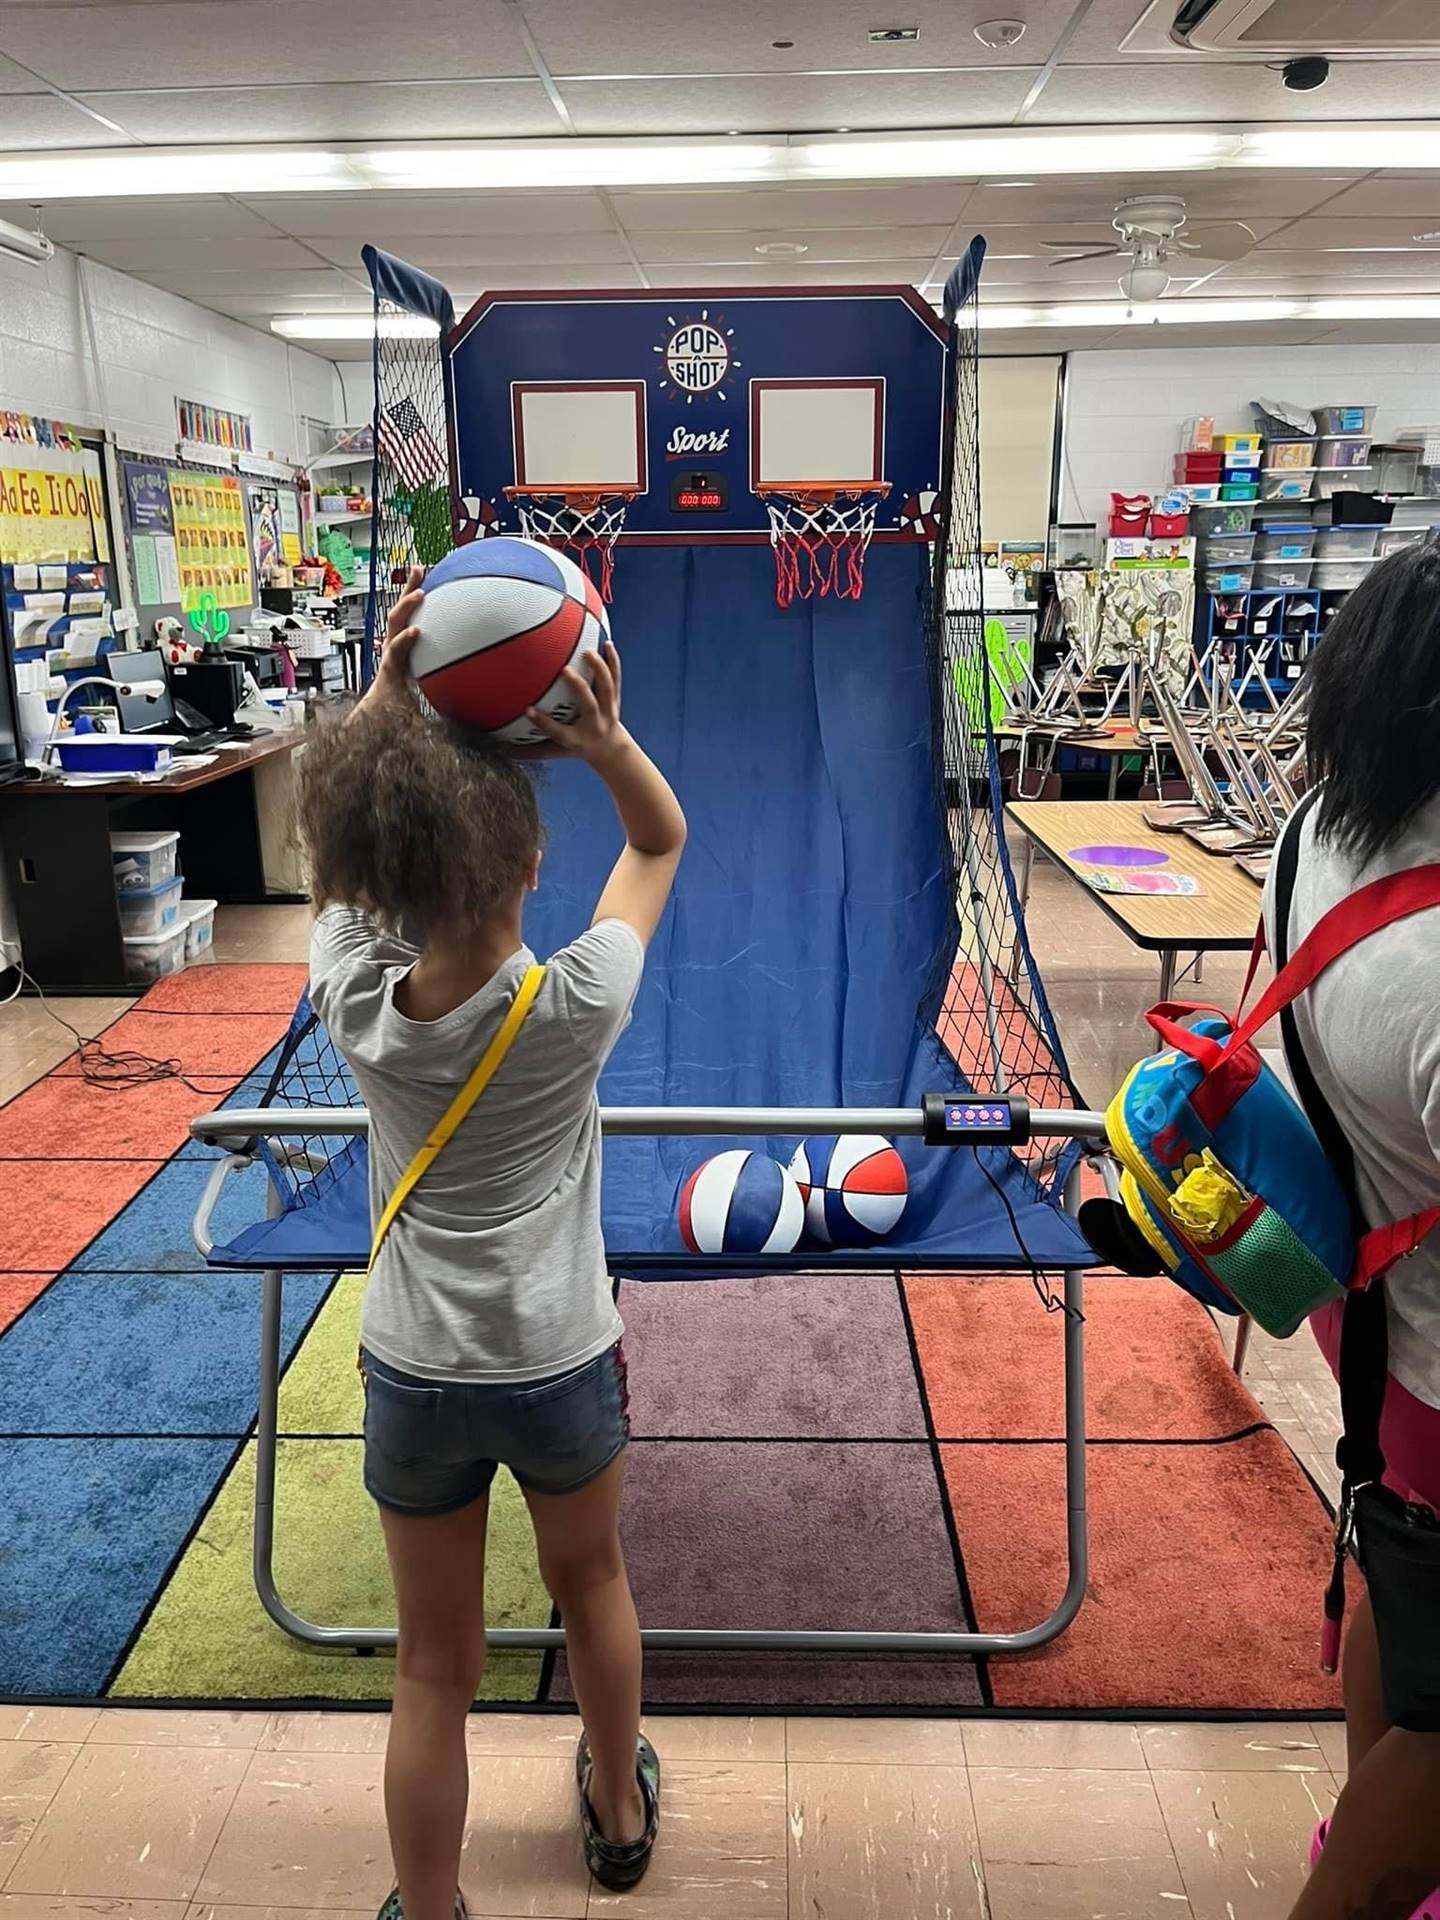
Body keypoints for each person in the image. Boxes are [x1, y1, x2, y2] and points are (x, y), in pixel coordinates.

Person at [297, 570, 687, 1919]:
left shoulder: (353, 996)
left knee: (430, 1668)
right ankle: (620, 1811)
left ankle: (432, 1903)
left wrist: (384, 704)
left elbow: (329, 864)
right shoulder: (574, 1007)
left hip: (413, 1372)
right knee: (592, 1588)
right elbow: (658, 846)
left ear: (386, 887)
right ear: (531, 869)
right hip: (560, 1358)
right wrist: (607, 742)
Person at [1263, 544, 1440, 1920]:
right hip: (1433, 1352)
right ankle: (1371, 1871)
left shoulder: (1316, 827)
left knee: (1400, 1562)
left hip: (1360, 1293)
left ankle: (1364, 1841)